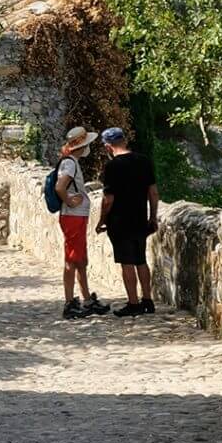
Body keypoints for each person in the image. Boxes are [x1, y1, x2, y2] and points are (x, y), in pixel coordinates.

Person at [96, 127, 159, 317]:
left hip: (120, 221)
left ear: (108, 147)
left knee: (127, 262)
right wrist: (153, 216)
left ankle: (133, 303)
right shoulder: (144, 161)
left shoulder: (112, 167)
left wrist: (101, 221)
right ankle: (147, 300)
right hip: (140, 218)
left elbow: (108, 200)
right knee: (141, 259)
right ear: (125, 140)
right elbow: (153, 193)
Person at [56, 126, 109, 320]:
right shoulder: (70, 164)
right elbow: (60, 186)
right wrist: (70, 200)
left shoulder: (70, 162)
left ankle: (85, 298)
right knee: (72, 259)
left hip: (75, 216)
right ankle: (70, 302)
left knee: (79, 259)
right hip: (73, 216)